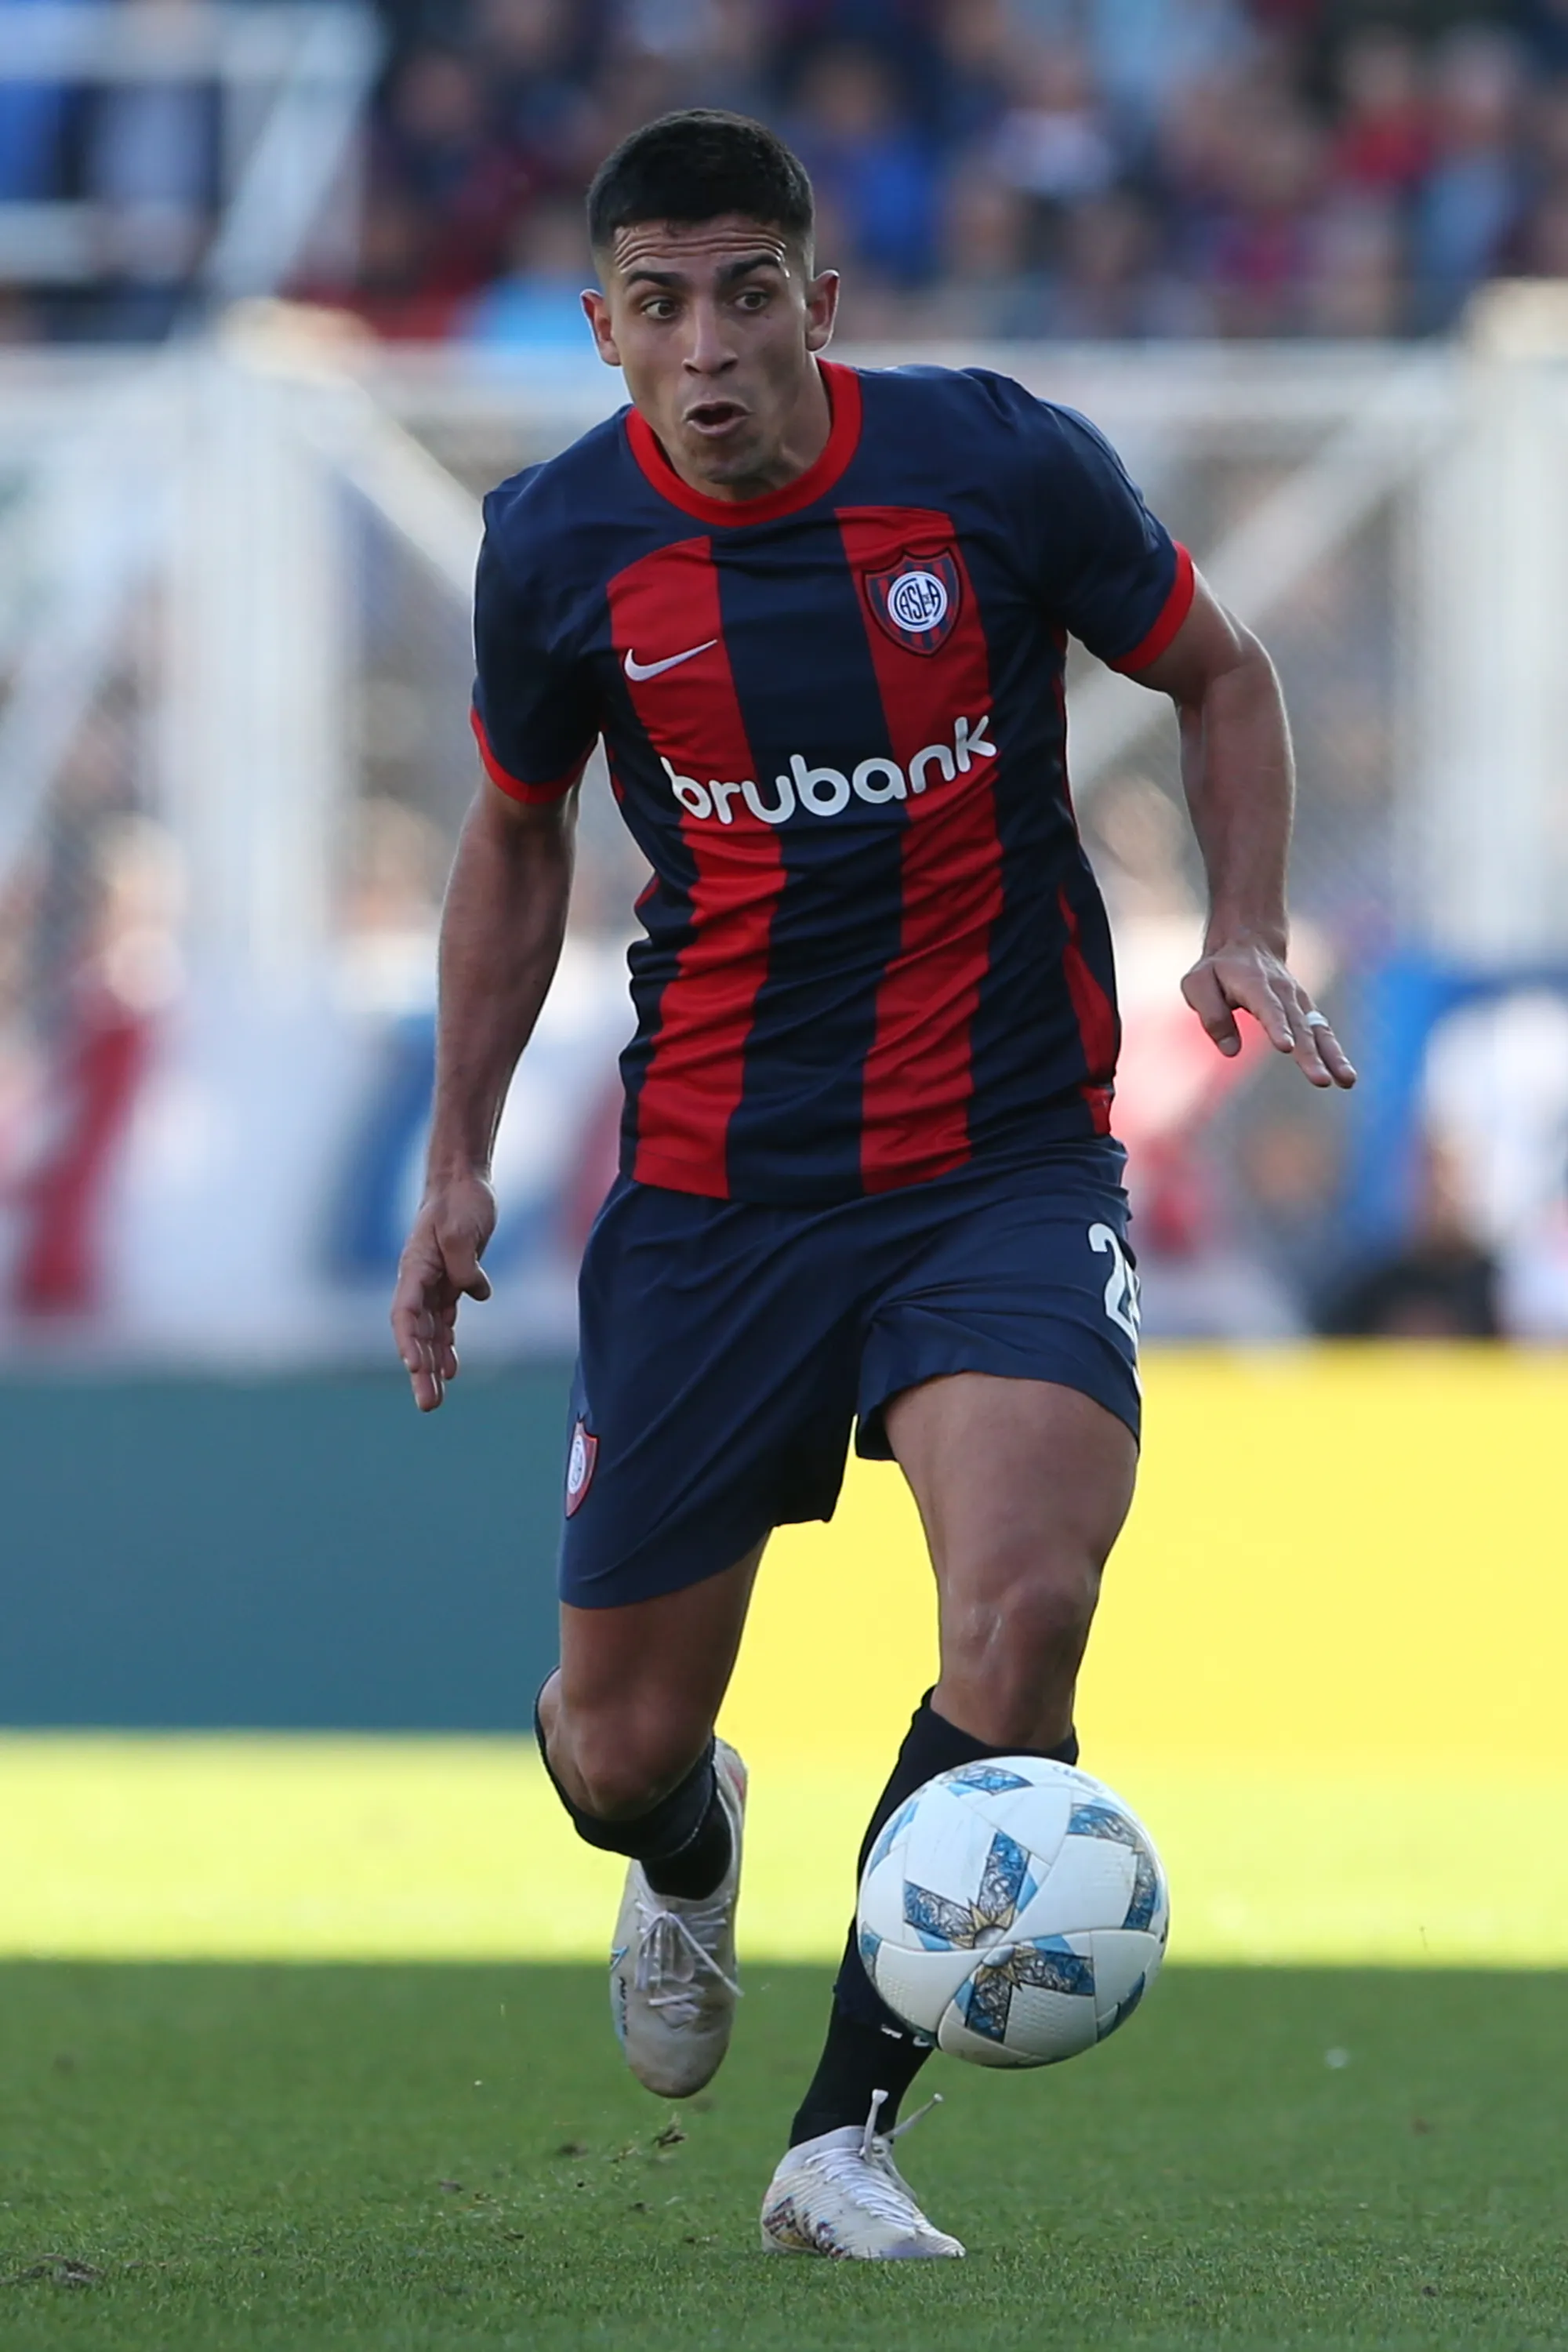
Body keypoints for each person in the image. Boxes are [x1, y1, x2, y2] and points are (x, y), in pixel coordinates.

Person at [390, 107, 1356, 2260]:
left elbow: (1219, 671)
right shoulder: (557, 547)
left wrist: (1246, 919)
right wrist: (456, 1163)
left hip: (1001, 1163)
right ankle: (685, 1851)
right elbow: (518, 837)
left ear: (819, 302)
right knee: (613, 1741)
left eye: (749, 294)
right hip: (721, 1189)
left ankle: (842, 2139)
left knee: (1028, 1606)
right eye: (662, 306)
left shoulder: (994, 468)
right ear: (605, 330)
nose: (710, 346)